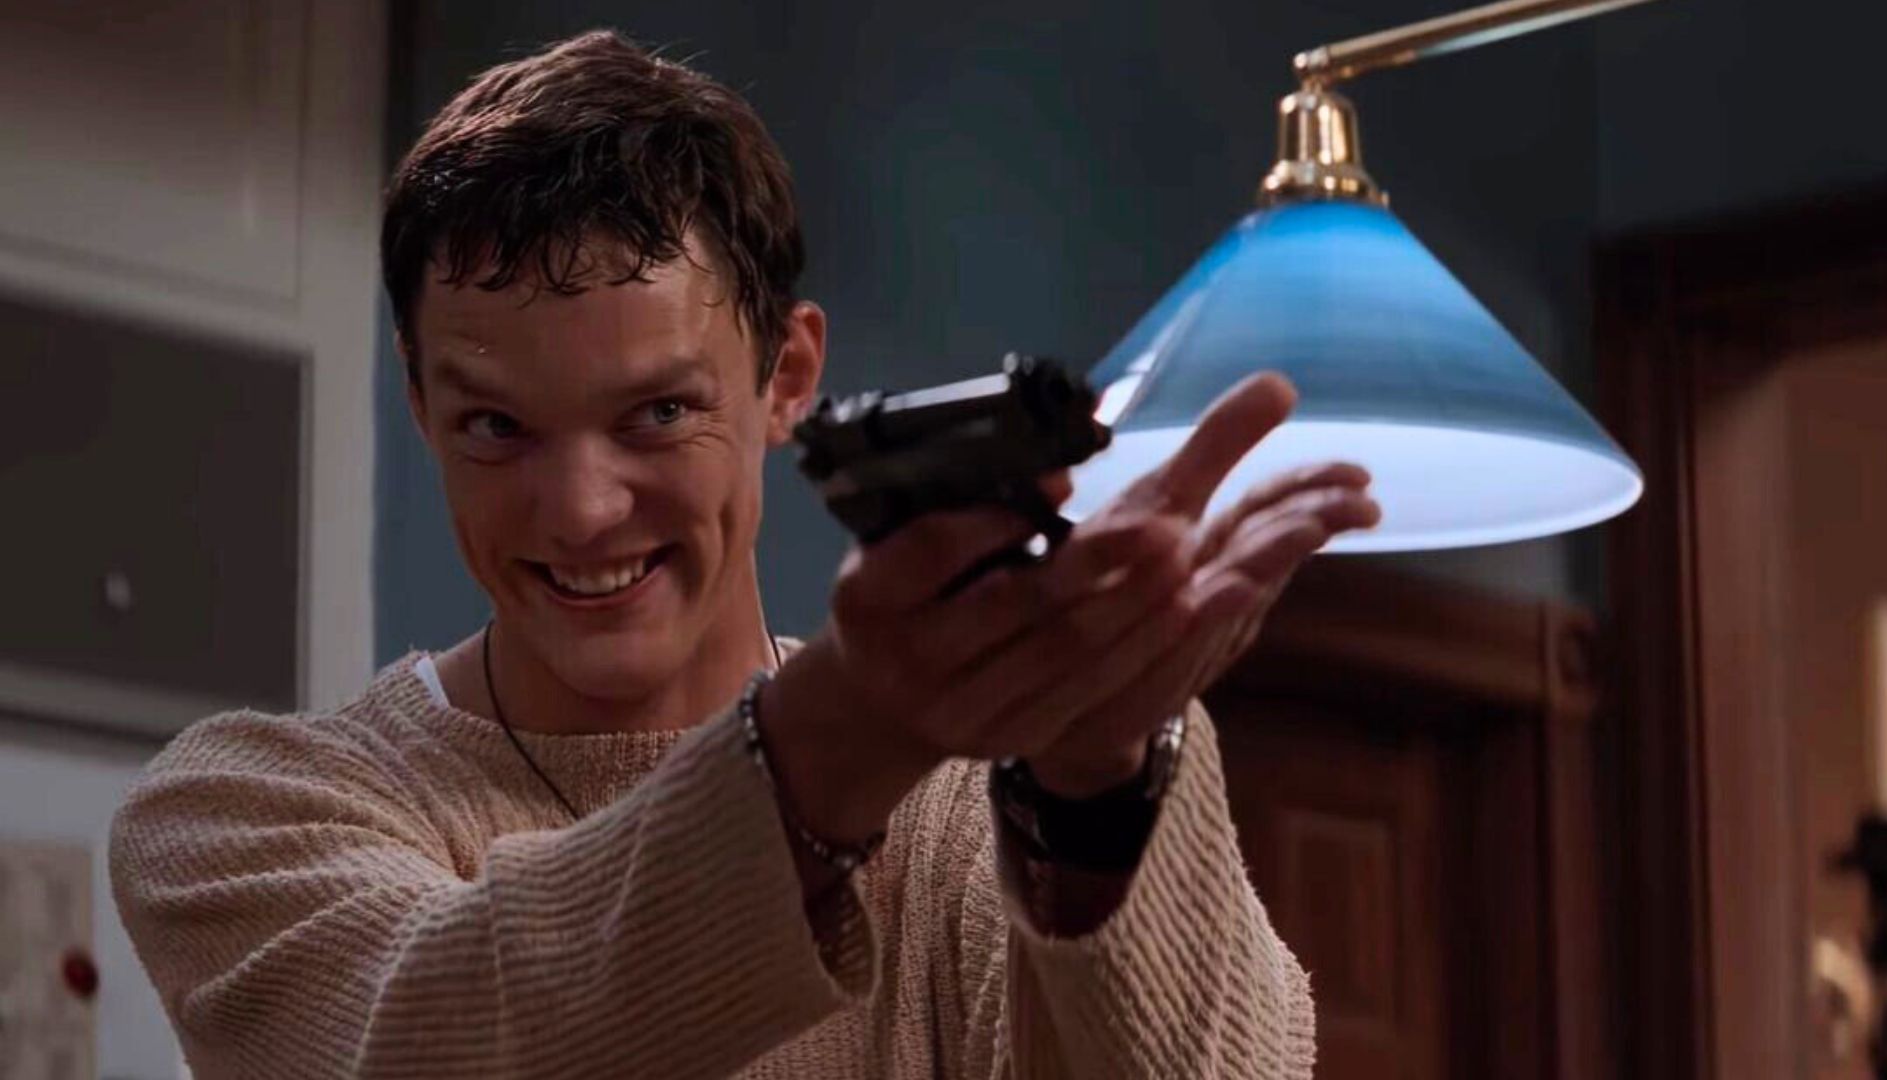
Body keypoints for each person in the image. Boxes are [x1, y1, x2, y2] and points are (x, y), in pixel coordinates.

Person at [110, 29, 1379, 1079]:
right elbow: (433, 1039)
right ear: (420, 400)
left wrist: (1096, 796)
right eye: (497, 426)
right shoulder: (245, 820)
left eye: (658, 412)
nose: (580, 511)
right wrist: (846, 733)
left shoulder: (973, 798)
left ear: (788, 377)